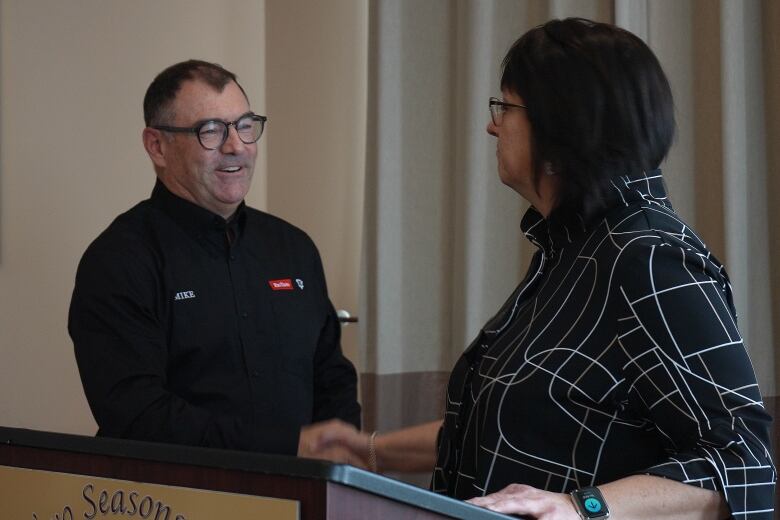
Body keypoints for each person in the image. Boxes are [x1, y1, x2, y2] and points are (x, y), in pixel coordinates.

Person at [312, 18, 775, 519]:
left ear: (561, 129)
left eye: (506, 108)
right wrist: (367, 450)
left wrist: (583, 507)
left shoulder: (648, 257)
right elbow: (511, 424)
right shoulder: (571, 249)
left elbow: (743, 466)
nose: (492, 124)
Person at [69, 60, 360, 461]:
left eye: (244, 125)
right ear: (157, 146)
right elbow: (137, 413)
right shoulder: (120, 260)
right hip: (177, 497)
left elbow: (333, 378)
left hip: (303, 495)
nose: (236, 146)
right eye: (210, 131)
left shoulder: (293, 247)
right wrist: (285, 448)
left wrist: (339, 458)